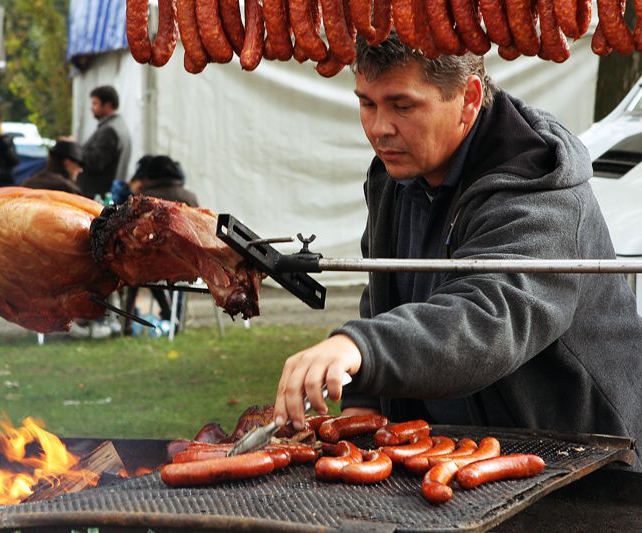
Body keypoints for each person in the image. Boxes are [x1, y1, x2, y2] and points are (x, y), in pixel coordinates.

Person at [272, 33, 642, 472]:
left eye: (402, 106)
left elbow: (491, 316)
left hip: (588, 461)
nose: (378, 128)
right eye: (367, 104)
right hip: (452, 457)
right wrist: (364, 401)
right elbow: (385, 296)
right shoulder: (392, 175)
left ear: (468, 98)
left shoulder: (540, 190)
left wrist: (361, 347)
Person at [122, 155, 199, 335]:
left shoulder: (144, 198)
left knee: (138, 264)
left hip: (152, 263)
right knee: (148, 264)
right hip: (187, 263)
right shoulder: (190, 197)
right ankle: (172, 315)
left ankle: (127, 322)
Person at [77, 85, 132, 201]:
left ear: (108, 105)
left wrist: (73, 150)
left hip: (99, 197)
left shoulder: (109, 130)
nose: (91, 108)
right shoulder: (119, 125)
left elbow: (96, 161)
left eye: (95, 103)